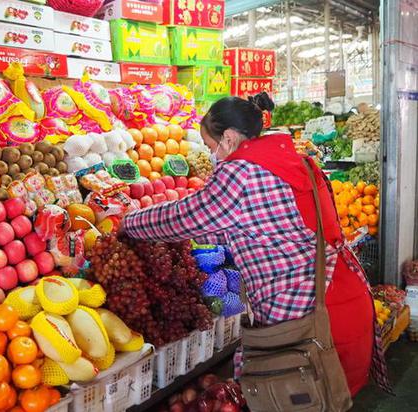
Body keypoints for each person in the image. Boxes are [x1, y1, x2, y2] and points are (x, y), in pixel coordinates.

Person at [120, 93, 390, 396]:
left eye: (211, 146)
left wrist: (127, 222)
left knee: (301, 399)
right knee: (328, 399)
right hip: (343, 299)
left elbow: (183, 217)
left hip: (310, 320)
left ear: (230, 138)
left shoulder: (241, 172)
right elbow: (255, 226)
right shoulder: (294, 160)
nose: (213, 156)